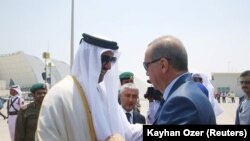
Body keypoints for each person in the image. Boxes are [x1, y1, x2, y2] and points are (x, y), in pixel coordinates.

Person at [35, 33, 142, 141]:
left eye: (111, 60)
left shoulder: (102, 95)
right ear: (88, 57)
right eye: (104, 59)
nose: (108, 66)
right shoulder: (59, 96)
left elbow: (129, 133)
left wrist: (158, 132)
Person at [143, 35, 216, 124]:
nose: (146, 73)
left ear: (163, 65)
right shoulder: (187, 92)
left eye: (146, 66)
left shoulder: (181, 101)